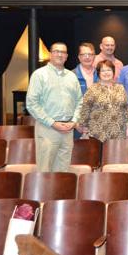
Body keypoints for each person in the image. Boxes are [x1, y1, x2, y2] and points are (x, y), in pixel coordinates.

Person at [26, 42, 82, 172]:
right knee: (45, 171)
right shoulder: (39, 75)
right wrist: (52, 123)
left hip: (68, 130)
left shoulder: (71, 76)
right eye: (57, 51)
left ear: (67, 56)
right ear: (51, 54)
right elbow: (32, 103)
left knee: (64, 171)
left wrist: (74, 121)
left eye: (63, 52)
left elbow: (80, 101)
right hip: (47, 129)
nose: (60, 54)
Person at [78, 60, 128, 142]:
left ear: (113, 72)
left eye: (109, 70)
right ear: (98, 73)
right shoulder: (92, 89)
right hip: (97, 134)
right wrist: (84, 128)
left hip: (119, 132)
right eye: (103, 70)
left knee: (117, 155)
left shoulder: (120, 88)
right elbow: (85, 110)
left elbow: (126, 109)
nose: (106, 73)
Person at [73, 42, 98, 139]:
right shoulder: (71, 76)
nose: (87, 57)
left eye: (90, 54)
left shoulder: (101, 75)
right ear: (79, 57)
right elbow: (67, 103)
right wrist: (75, 123)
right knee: (78, 153)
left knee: (97, 153)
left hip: (98, 125)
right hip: (78, 126)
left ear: (94, 56)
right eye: (84, 54)